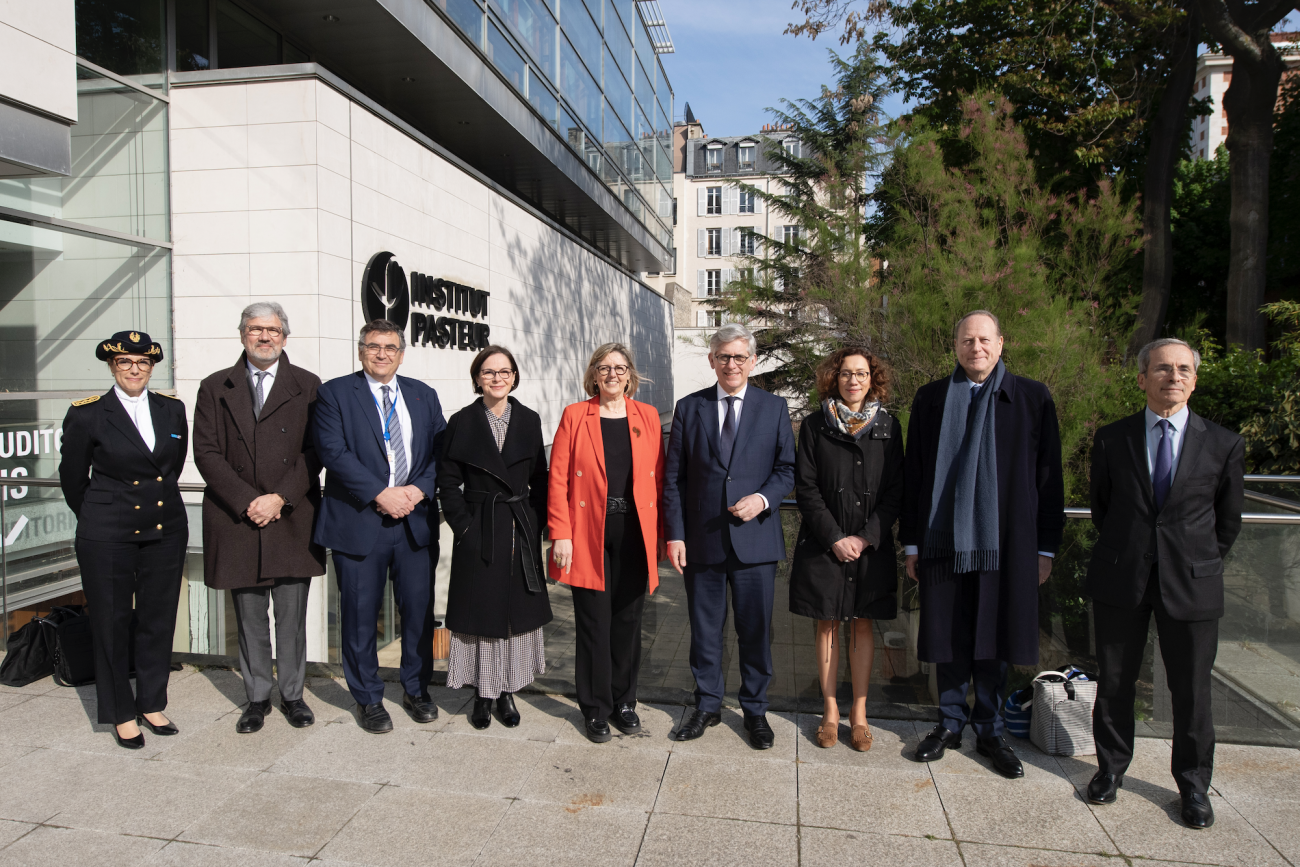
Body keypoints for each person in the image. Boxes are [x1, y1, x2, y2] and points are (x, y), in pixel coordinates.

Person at [1085, 338, 1244, 829]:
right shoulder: (1113, 439)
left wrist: (1192, 562)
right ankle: (1110, 771)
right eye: (1161, 369)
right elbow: (1102, 509)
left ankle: (1194, 787)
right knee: (1114, 684)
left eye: (1182, 370)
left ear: (1194, 380)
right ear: (1142, 378)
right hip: (1122, 577)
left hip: (1192, 583)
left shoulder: (1223, 443)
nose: (1172, 377)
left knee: (1192, 692)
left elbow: (1227, 522)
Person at [901, 310, 1064, 778]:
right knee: (950, 632)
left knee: (995, 633)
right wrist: (911, 542)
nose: (977, 347)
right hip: (942, 539)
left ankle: (989, 728)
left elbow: (1049, 478)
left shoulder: (1031, 397)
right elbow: (915, 477)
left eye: (985, 339)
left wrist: (1045, 549)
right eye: (967, 340)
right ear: (955, 346)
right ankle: (950, 722)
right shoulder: (932, 398)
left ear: (1001, 343)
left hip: (1007, 543)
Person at [193, 302, 325, 734]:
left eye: (272, 330)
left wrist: (279, 498)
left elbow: (315, 452)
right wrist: (250, 500)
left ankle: (292, 695)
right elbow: (207, 453)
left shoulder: (307, 385)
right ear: (242, 335)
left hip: (290, 517)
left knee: (291, 616)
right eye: (255, 330)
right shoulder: (215, 386)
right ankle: (256, 698)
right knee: (249, 617)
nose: (264, 337)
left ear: (285, 336)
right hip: (239, 519)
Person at [664, 323, 796, 750]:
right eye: (724, 356)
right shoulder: (689, 407)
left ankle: (755, 710)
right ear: (712, 361)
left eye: (740, 356)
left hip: (755, 539)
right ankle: (707, 705)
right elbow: (674, 479)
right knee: (705, 629)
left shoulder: (774, 408)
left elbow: (786, 470)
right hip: (702, 539)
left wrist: (762, 499)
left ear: (752, 361)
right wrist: (676, 534)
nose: (732, 364)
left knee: (755, 629)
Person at [312, 319, 446, 733]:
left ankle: (416, 688)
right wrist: (380, 494)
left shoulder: (423, 395)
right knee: (358, 615)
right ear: (361, 351)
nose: (382, 354)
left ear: (401, 353)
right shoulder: (334, 393)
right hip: (360, 521)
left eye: (390, 347)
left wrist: (419, 491)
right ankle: (368, 698)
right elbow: (332, 452)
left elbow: (441, 451)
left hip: (414, 523)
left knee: (418, 615)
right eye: (373, 346)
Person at [58, 331, 188, 749]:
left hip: (164, 529)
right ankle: (120, 713)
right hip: (107, 532)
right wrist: (99, 515)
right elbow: (73, 479)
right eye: (125, 362)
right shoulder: (89, 414)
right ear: (112, 367)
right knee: (111, 622)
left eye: (143, 363)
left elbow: (169, 469)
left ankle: (151, 702)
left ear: (152, 367)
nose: (135, 369)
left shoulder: (171, 409)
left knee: (157, 619)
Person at [548, 343, 665, 743]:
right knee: (594, 623)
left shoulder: (647, 417)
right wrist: (560, 532)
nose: (612, 374)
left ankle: (624, 701)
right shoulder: (576, 415)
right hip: (588, 531)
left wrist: (662, 536)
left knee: (629, 623)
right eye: (604, 368)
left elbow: (659, 480)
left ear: (630, 374)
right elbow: (558, 478)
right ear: (593, 374)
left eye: (619, 367)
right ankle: (595, 708)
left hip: (635, 530)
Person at [791, 347, 903, 752]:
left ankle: (859, 714)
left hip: (870, 546)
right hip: (825, 544)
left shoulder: (889, 426)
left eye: (861, 373)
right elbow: (805, 487)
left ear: (873, 379)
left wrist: (866, 535)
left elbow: (895, 490)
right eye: (845, 374)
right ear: (833, 378)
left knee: (861, 623)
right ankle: (830, 712)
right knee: (827, 622)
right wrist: (836, 537)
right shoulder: (815, 425)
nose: (853, 380)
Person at [439, 346, 551, 730]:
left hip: (520, 525)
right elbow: (448, 482)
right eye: (489, 372)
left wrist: (535, 523)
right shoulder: (461, 421)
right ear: (477, 379)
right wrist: (464, 527)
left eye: (505, 372)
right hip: (480, 528)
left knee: (515, 615)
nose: (497, 378)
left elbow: (541, 478)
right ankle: (483, 694)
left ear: (515, 377)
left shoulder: (531, 419)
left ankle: (507, 692)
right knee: (480, 614)